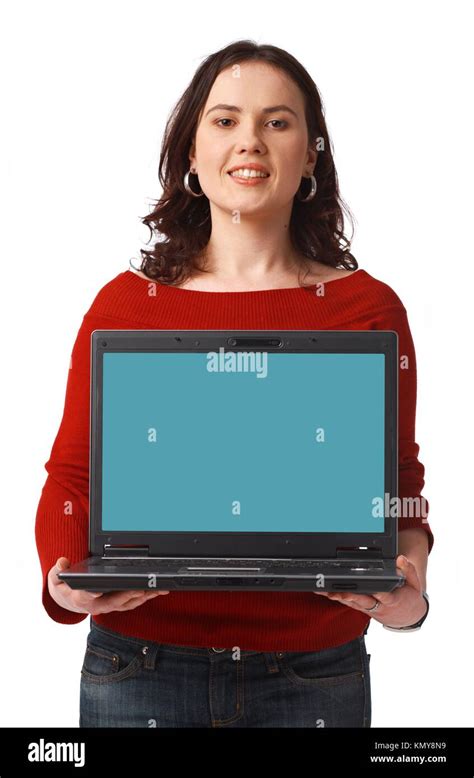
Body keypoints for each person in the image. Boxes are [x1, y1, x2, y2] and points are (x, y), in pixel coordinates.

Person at [35, 40, 434, 728]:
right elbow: (74, 480)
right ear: (192, 152)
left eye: (277, 121)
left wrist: (411, 590)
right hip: (141, 667)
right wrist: (66, 583)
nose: (250, 139)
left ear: (312, 153)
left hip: (316, 672)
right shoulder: (125, 306)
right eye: (225, 120)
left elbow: (398, 483)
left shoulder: (368, 310)